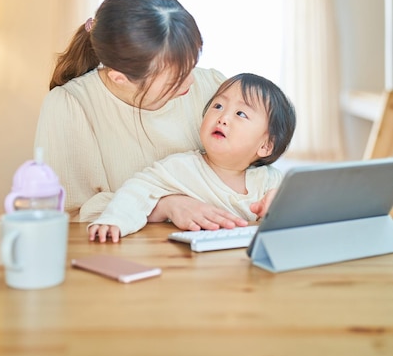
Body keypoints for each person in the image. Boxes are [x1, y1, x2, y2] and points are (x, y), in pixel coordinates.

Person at [35, 0, 248, 230]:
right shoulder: (71, 106)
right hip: (123, 255)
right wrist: (163, 205)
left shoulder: (212, 85)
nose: (190, 81)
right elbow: (70, 215)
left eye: (192, 64)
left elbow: (250, 166)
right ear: (120, 77)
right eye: (175, 77)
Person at [88, 73, 296, 243]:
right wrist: (114, 220)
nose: (223, 118)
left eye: (241, 114)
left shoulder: (270, 181)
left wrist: (280, 207)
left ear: (266, 145)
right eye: (218, 106)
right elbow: (137, 190)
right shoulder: (180, 168)